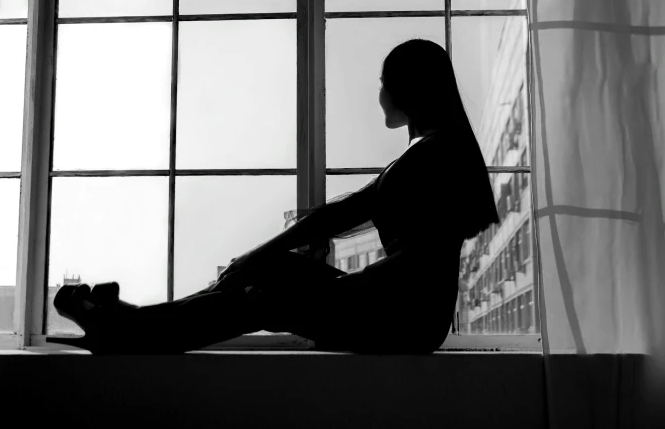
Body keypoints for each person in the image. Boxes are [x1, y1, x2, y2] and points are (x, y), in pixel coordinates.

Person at [48, 38, 500, 355]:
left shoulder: (440, 152)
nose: (379, 92)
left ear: (410, 89)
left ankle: (131, 330)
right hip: (395, 310)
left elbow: (422, 260)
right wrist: (256, 255)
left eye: (385, 82)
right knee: (266, 271)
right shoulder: (429, 151)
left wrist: (338, 291)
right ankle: (139, 324)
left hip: (403, 320)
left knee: (261, 297)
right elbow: (336, 215)